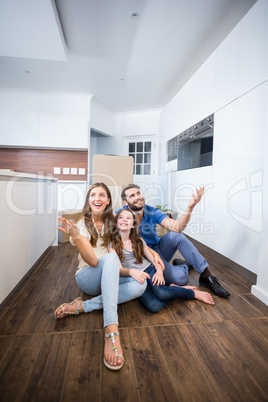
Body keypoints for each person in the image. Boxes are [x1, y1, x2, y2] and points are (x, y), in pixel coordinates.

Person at [54, 182, 147, 371]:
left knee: (141, 284)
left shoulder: (114, 220)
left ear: (108, 200)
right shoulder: (80, 225)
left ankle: (82, 306)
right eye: (93, 195)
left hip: (110, 273)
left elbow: (133, 237)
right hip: (88, 277)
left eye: (102, 195)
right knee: (111, 258)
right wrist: (78, 237)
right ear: (89, 201)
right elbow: (93, 262)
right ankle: (111, 330)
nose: (97, 198)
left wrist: (134, 269)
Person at [116, 184, 230, 298]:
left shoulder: (152, 211)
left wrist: (190, 207)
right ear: (125, 202)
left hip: (158, 251)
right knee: (181, 278)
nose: (137, 197)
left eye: (138, 193)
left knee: (176, 235)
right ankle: (184, 265)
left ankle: (206, 275)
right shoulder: (119, 217)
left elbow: (177, 227)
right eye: (132, 196)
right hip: (141, 259)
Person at [109, 209, 215, 313]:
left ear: (133, 225)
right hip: (135, 277)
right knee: (154, 306)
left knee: (162, 292)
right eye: (121, 217)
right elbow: (119, 270)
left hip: (148, 269)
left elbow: (154, 259)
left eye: (128, 218)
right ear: (116, 222)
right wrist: (132, 272)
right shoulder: (112, 244)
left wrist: (159, 271)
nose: (124, 220)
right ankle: (173, 288)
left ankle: (193, 293)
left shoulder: (138, 240)